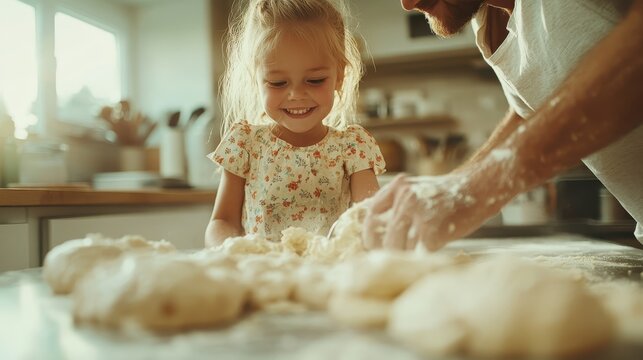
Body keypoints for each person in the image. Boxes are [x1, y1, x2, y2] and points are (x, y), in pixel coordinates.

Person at [363, 0, 643, 250]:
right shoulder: (490, 22)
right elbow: (531, 112)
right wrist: (452, 186)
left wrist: (473, 189)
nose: (408, 3)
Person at [205, 0, 385, 246]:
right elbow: (222, 222)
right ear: (256, 80)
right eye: (278, 83)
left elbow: (372, 220)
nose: (296, 95)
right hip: (263, 277)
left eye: (315, 80)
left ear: (339, 77)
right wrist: (229, 250)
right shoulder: (244, 145)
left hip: (329, 277)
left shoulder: (353, 148)